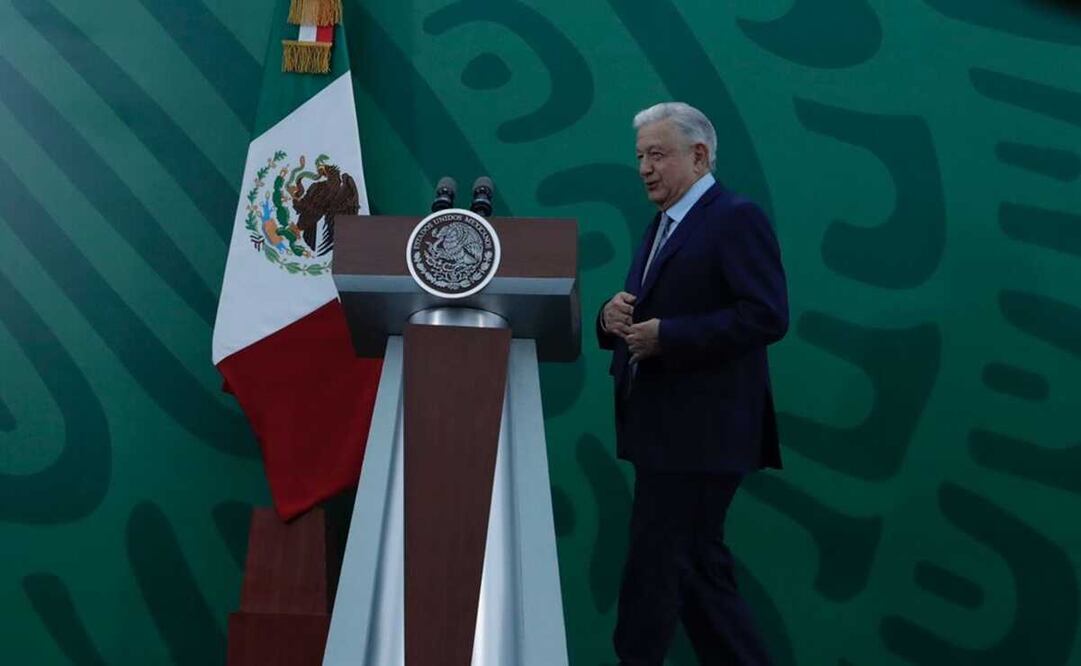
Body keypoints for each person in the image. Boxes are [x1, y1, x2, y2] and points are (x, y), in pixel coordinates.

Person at [597, 102, 788, 665]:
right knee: (697, 575)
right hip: (664, 434)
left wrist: (671, 338)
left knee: (654, 577)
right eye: (639, 157)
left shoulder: (735, 217)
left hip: (702, 437)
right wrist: (609, 318)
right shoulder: (663, 224)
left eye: (657, 154)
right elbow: (646, 311)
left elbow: (767, 314)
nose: (644, 169)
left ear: (699, 155)